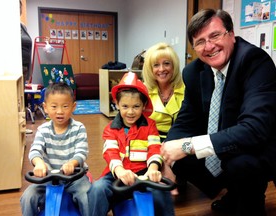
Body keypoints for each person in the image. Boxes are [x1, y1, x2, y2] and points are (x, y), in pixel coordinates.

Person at [161, 8, 276, 216]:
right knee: (177, 153)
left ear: (231, 34)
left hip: (263, 144)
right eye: (200, 41)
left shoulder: (254, 61)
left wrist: (188, 145)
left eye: (215, 35)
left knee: (239, 163)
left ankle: (251, 201)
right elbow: (184, 122)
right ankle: (228, 191)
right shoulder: (193, 72)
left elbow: (254, 130)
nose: (209, 46)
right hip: (228, 141)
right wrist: (167, 157)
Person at [88, 72, 175, 216]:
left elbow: (155, 149)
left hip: (144, 173)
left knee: (161, 192)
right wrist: (120, 171)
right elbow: (111, 153)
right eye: (125, 106)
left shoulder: (150, 126)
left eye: (136, 106)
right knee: (97, 189)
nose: (130, 112)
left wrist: (153, 169)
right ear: (117, 104)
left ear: (144, 105)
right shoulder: (110, 128)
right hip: (118, 174)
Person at [20, 83, 91, 216]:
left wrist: (72, 163)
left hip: (74, 178)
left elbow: (81, 151)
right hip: (48, 178)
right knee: (28, 197)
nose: (59, 111)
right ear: (45, 107)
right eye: (54, 106)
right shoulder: (43, 130)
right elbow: (35, 150)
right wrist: (39, 163)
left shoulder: (78, 128)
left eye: (65, 106)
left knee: (87, 196)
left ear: (73, 107)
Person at [142, 42, 185, 194]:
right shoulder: (144, 91)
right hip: (150, 138)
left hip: (178, 138)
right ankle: (167, 178)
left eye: (166, 63)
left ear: (174, 66)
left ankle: (168, 177)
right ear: (150, 69)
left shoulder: (185, 88)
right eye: (156, 65)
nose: (161, 69)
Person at [20, 0, 33, 134]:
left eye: (19, 6)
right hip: (14, 69)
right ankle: (20, 127)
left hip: (24, 67)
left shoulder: (22, 26)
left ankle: (22, 126)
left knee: (21, 97)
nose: (18, 9)